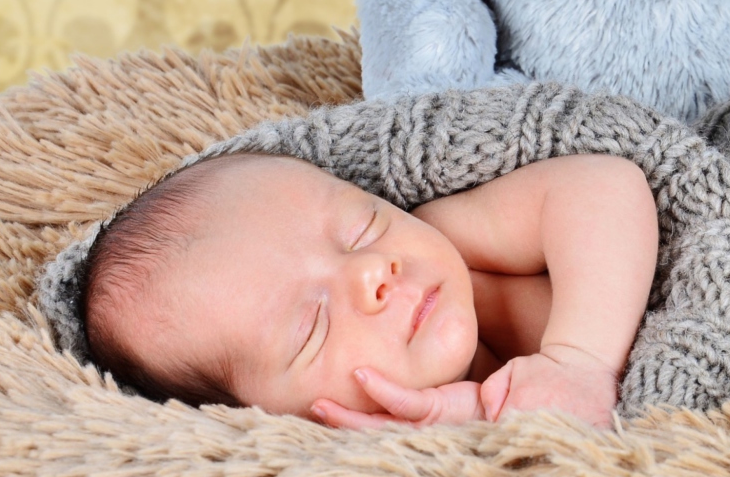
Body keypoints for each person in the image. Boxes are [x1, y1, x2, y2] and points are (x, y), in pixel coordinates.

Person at [80, 152, 659, 430]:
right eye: (313, 325)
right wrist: (480, 419)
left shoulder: (456, 240)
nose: (370, 272)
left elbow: (603, 188)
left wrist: (578, 361)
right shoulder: (382, 451)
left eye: (363, 227)